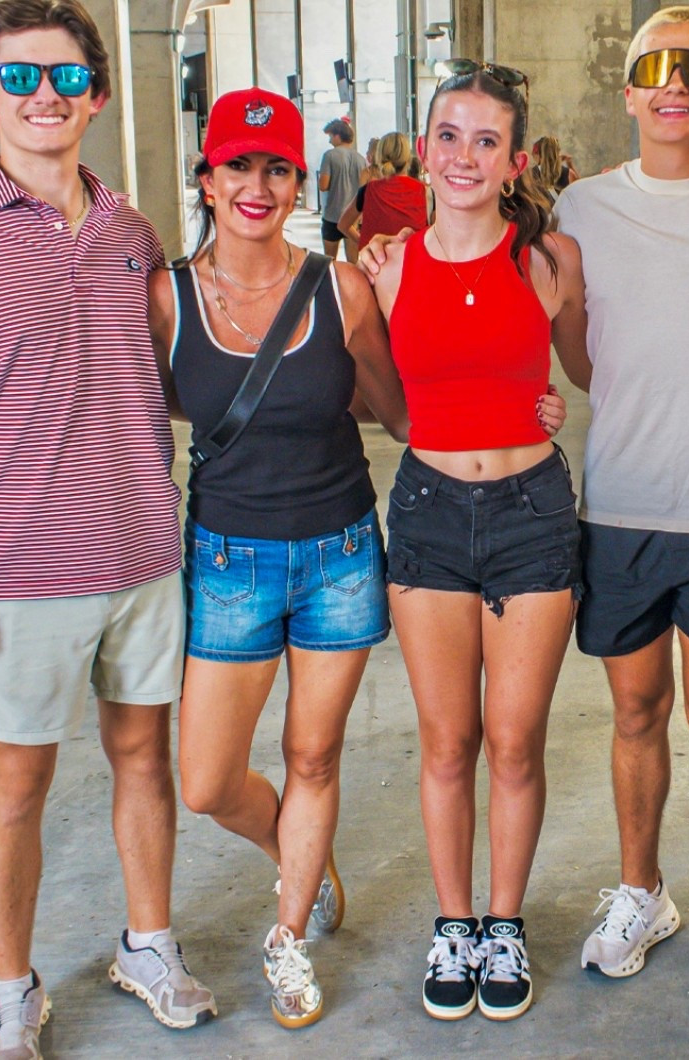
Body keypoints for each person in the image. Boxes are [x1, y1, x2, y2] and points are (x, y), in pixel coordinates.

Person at [0, 2, 215, 1056]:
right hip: (16, 569)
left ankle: (147, 944)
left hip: (142, 555)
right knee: (17, 784)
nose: (43, 97)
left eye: (66, 78)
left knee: (144, 759)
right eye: (19, 78)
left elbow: (174, 373)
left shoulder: (131, 233)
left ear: (97, 96)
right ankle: (11, 989)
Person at [146, 86, 412, 1029]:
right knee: (209, 780)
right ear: (208, 179)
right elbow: (165, 407)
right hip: (230, 560)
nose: (256, 186)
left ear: (300, 182)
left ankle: (289, 933)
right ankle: (295, 850)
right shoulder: (167, 298)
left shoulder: (342, 290)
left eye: (276, 169)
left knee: (313, 753)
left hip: (340, 552)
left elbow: (398, 413)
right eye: (238, 167)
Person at [360, 59, 590, 1022]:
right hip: (428, 512)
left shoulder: (550, 261)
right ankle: (455, 924)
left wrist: (553, 402)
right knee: (449, 742)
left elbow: (586, 369)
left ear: (515, 161)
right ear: (424, 149)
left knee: (514, 741)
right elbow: (374, 397)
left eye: (486, 140)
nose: (464, 156)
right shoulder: (385, 268)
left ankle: (505, 922)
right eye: (449, 136)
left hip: (532, 512)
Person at [551, 5, 689, 996]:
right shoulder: (581, 210)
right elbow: (583, 362)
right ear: (627, 93)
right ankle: (641, 892)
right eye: (657, 69)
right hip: (620, 506)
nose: (676, 86)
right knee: (632, 712)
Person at [337, 131, 429, 250]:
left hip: (376, 258)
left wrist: (364, 242)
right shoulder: (424, 191)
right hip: (412, 258)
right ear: (408, 159)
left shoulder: (368, 191)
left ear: (379, 157)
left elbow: (343, 225)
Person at [318, 118, 366, 262]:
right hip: (353, 218)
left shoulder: (329, 156)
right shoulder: (361, 159)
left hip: (333, 215)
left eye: (330, 136)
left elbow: (323, 185)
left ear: (338, 136)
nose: (329, 141)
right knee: (353, 263)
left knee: (330, 261)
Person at [532, 135, 579, 199]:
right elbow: (580, 191)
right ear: (557, 153)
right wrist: (570, 164)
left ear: (540, 153)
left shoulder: (529, 175)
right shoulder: (568, 174)